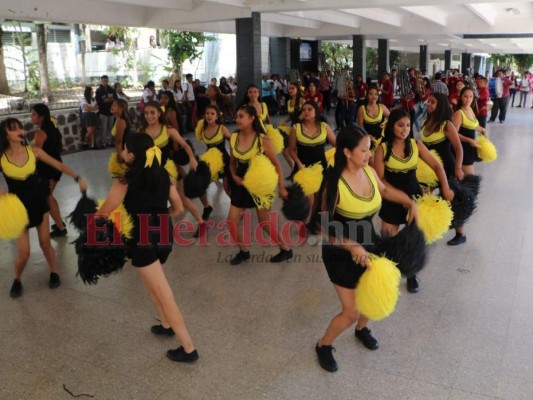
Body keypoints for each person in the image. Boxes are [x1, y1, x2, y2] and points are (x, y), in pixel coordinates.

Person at [312, 126, 417, 372]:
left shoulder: (368, 171)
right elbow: (321, 226)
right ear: (347, 152)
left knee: (371, 293)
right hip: (340, 250)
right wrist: (351, 247)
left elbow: (384, 190)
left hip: (369, 242)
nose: (369, 155)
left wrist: (410, 202)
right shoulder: (334, 183)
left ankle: (362, 329)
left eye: (369, 149)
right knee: (350, 312)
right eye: (364, 150)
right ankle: (323, 345)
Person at [97, 133, 198, 363]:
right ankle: (165, 323)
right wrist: (161, 218)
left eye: (124, 148)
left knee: (163, 291)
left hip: (142, 240)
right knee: (151, 282)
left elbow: (103, 213)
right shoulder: (163, 174)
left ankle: (189, 347)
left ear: (131, 155)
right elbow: (179, 207)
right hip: (163, 234)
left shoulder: (124, 181)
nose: (121, 152)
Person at [0, 118, 88, 298]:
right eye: (13, 129)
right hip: (16, 207)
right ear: (5, 134)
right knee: (24, 253)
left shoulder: (34, 151)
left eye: (20, 127)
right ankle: (17, 279)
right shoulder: (2, 158)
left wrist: (78, 178)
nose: (19, 131)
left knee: (45, 242)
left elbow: (59, 165)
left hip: (38, 200)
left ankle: (54, 272)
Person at [374, 109, 454, 292]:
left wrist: (446, 187)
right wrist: (399, 198)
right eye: (400, 125)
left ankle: (411, 274)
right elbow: (381, 181)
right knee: (389, 240)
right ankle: (388, 277)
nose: (405, 129)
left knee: (412, 239)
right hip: (391, 198)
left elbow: (436, 165)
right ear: (391, 125)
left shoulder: (416, 144)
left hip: (415, 197)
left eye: (408, 125)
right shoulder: (382, 149)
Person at [227, 105, 293, 265]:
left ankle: (286, 249)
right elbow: (232, 163)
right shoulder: (233, 137)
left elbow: (276, 164)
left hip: (260, 184)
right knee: (231, 221)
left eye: (241, 116)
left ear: (252, 118)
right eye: (237, 116)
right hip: (241, 183)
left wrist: (282, 187)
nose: (237, 119)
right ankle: (243, 251)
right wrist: (235, 177)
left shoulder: (262, 139)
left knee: (264, 221)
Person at [141, 101, 208, 238]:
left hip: (167, 171)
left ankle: (201, 223)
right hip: (149, 171)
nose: (149, 116)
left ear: (159, 113)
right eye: (146, 113)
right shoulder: (141, 132)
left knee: (181, 200)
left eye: (152, 113)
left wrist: (192, 158)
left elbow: (185, 144)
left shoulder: (168, 130)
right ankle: (156, 226)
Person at [451, 87, 487, 245]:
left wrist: (482, 129)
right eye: (465, 96)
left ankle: (460, 229)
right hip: (462, 153)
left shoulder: (471, 111)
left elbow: (473, 126)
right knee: (463, 192)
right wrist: (469, 140)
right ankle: (460, 231)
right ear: (460, 97)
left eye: (471, 96)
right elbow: (454, 133)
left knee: (467, 191)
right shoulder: (458, 113)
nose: (468, 99)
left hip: (469, 154)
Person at [289, 101, 336, 219]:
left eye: (309, 109)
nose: (306, 112)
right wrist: (299, 164)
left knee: (319, 197)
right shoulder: (296, 128)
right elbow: (291, 150)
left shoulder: (324, 126)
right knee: (307, 199)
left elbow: (336, 145)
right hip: (303, 168)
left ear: (316, 111)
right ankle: (304, 221)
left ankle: (313, 221)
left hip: (321, 168)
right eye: (304, 110)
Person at [31, 103, 68, 237]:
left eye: (34, 114)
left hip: (48, 169)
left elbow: (37, 154)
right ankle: (60, 224)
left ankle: (60, 228)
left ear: (41, 117)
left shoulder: (40, 133)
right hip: (55, 166)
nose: (31, 117)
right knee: (49, 196)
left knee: (47, 197)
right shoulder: (52, 126)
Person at [420, 93, 464, 182]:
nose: (429, 104)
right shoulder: (425, 123)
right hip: (431, 168)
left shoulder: (446, 124)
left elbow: (458, 148)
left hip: (446, 167)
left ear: (440, 105)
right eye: (428, 101)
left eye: (433, 102)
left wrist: (458, 168)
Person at [196, 104, 232, 196]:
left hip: (224, 160)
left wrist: (233, 158)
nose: (209, 115)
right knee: (202, 183)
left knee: (227, 187)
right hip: (210, 162)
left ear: (217, 117)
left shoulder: (222, 128)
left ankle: (237, 207)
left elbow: (232, 142)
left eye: (212, 113)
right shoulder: (203, 129)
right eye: (207, 113)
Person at [95, 75, 117, 148]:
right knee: (103, 128)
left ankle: (109, 142)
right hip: (103, 112)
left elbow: (115, 99)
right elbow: (99, 101)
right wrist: (106, 101)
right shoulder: (99, 90)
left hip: (111, 112)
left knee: (110, 128)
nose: (105, 82)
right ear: (101, 81)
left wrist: (109, 100)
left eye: (106, 81)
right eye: (103, 81)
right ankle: (103, 143)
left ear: (108, 81)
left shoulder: (112, 89)